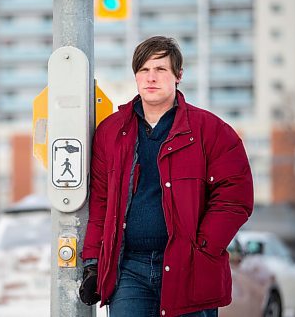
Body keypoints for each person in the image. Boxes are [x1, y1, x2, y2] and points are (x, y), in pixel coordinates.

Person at [79, 36, 254, 317]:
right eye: (144, 70)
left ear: (178, 76)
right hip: (129, 270)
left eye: (160, 69)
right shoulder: (110, 133)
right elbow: (101, 202)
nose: (151, 77)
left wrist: (203, 247)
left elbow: (235, 197)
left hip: (190, 269)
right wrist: (92, 262)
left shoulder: (212, 131)